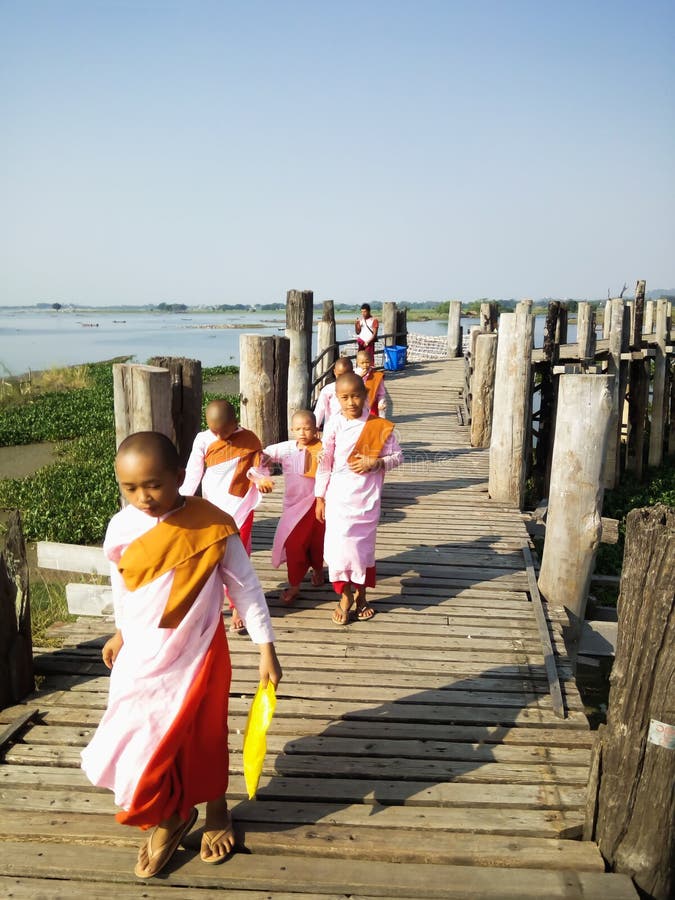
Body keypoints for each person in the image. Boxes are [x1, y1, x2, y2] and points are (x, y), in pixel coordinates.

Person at [80, 431, 282, 879]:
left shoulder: (212, 524)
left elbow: (245, 588)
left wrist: (265, 648)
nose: (143, 497)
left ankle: (214, 808)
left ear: (178, 476)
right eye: (130, 488)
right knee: (140, 734)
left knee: (203, 733)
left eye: (153, 484)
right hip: (141, 652)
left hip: (199, 648)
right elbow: (123, 581)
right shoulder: (122, 525)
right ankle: (172, 813)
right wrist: (118, 631)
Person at [315, 372, 402, 625]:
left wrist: (376, 463)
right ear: (336, 399)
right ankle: (345, 596)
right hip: (339, 497)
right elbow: (325, 463)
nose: (351, 402)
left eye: (355, 396)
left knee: (362, 550)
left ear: (366, 396)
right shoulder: (333, 425)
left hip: (367, 498)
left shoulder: (377, 425)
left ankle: (361, 596)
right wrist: (320, 497)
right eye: (344, 398)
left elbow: (398, 456)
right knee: (339, 548)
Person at [180, 399, 271, 633]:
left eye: (225, 431)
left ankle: (239, 607)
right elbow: (193, 473)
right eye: (214, 431)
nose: (219, 437)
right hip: (212, 508)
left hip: (241, 506)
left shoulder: (249, 439)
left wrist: (261, 479)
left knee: (239, 557)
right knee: (213, 559)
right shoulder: (202, 440)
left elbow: (257, 468)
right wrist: (180, 501)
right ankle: (212, 604)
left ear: (235, 423)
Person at [252, 410, 326, 605]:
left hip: (318, 504)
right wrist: (262, 477)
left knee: (317, 544)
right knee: (294, 546)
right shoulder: (286, 449)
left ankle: (318, 569)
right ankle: (294, 584)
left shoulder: (324, 448)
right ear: (291, 429)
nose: (303, 433)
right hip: (294, 508)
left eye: (308, 428)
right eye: (298, 429)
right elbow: (261, 456)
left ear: (317, 430)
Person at [313, 356, 353, 430]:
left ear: (353, 373)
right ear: (334, 372)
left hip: (351, 428)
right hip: (332, 427)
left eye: (346, 375)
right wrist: (315, 426)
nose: (342, 378)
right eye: (339, 375)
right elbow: (320, 409)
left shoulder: (356, 389)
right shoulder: (328, 389)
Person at [355, 348, 386, 418]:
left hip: (372, 404)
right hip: (358, 404)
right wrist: (359, 377)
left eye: (367, 362)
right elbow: (350, 388)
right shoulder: (354, 374)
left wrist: (381, 403)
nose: (365, 365)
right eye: (362, 363)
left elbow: (381, 393)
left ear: (371, 361)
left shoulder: (376, 375)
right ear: (357, 362)